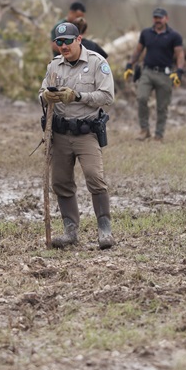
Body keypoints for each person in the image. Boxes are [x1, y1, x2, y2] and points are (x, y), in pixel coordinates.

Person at [40, 21, 116, 249]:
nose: (63, 46)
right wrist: (46, 97)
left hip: (86, 132)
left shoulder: (97, 63)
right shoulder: (54, 66)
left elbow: (107, 96)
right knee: (61, 182)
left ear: (79, 40)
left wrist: (78, 97)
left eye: (67, 42)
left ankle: (105, 232)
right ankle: (70, 231)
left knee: (95, 178)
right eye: (59, 42)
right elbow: (41, 93)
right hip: (60, 134)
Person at [123, 7, 185, 142]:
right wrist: (130, 64)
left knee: (162, 106)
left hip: (165, 74)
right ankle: (144, 130)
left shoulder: (174, 36)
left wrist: (179, 71)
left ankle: (159, 134)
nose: (157, 20)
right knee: (141, 98)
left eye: (160, 17)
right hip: (147, 72)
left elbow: (180, 54)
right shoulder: (146, 33)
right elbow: (138, 50)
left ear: (166, 18)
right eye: (155, 17)